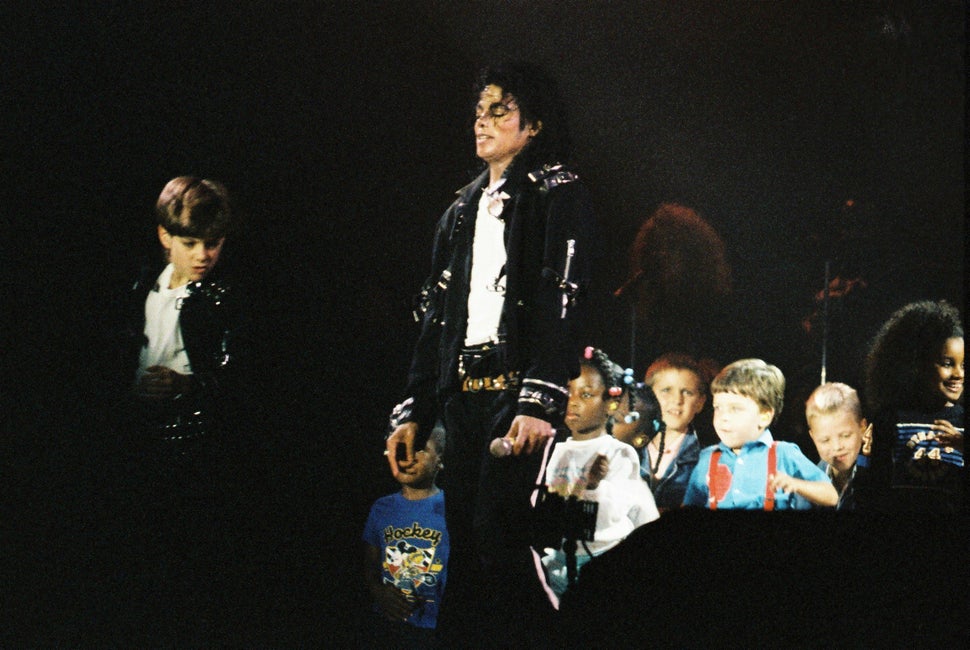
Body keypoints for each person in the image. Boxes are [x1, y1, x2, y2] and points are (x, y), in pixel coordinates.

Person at [384, 61, 594, 645]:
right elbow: (434, 322)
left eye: (499, 110)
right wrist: (415, 412)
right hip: (462, 397)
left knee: (500, 541)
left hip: (515, 393)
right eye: (479, 111)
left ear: (533, 124)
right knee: (466, 553)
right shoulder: (459, 211)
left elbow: (564, 300)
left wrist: (537, 399)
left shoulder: (559, 194)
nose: (483, 121)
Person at [537, 348, 658, 601]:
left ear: (610, 404)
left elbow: (615, 516)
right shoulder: (554, 449)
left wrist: (593, 487)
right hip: (559, 563)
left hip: (604, 562)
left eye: (586, 394)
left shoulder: (618, 454)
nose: (573, 401)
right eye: (568, 393)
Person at [683, 359, 838, 510]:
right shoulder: (707, 459)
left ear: (764, 416)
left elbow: (831, 496)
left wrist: (796, 484)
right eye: (718, 407)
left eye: (735, 408)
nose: (723, 417)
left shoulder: (784, 454)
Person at [861, 300, 964, 511]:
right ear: (917, 363)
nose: (959, 374)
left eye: (964, 365)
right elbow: (874, 487)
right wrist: (865, 457)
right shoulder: (891, 418)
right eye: (947, 363)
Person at [362, 426, 449, 648]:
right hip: (389, 625)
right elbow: (369, 563)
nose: (408, 457)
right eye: (402, 448)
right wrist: (378, 591)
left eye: (419, 449)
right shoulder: (381, 508)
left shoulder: (452, 507)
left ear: (440, 460)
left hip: (436, 629)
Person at [640, 353, 717, 511]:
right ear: (648, 395)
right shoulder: (629, 449)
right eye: (666, 390)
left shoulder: (707, 460)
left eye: (687, 392)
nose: (677, 400)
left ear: (700, 402)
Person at [805, 382, 871, 509]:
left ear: (863, 428)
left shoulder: (877, 479)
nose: (836, 447)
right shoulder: (808, 486)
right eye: (825, 440)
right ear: (813, 437)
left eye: (845, 435)